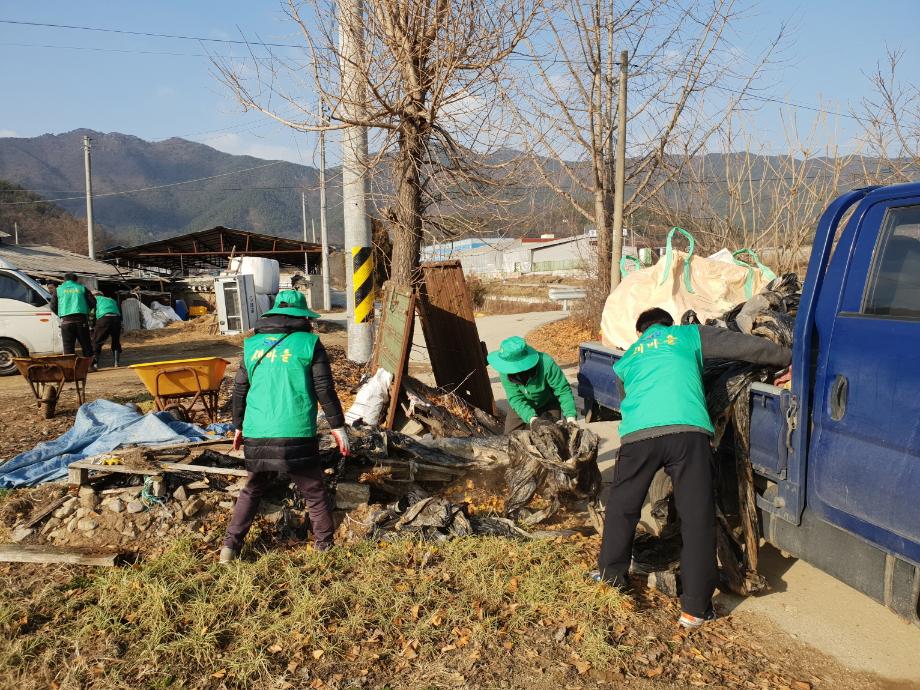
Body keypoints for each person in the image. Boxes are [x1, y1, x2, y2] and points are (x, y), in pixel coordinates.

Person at [597, 307, 792, 628]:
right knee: (697, 519)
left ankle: (610, 579)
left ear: (640, 333)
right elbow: (743, 347)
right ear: (668, 324)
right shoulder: (687, 335)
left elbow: (627, 398)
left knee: (622, 508)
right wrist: (785, 357)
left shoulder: (628, 357)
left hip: (638, 437)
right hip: (688, 433)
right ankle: (695, 609)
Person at [220, 289, 350, 563]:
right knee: (314, 491)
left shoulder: (251, 345)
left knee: (253, 487)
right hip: (296, 432)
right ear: (303, 317)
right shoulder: (309, 344)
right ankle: (324, 548)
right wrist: (338, 427)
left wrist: (238, 426)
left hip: (257, 432)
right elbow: (324, 389)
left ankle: (229, 549)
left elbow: (239, 390)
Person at [487, 336, 578, 434]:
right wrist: (533, 420)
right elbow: (516, 398)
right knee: (509, 437)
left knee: (552, 434)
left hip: (548, 403)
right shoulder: (504, 370)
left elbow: (563, 390)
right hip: (521, 405)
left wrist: (570, 417)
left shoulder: (546, 363)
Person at [49, 273, 96, 359]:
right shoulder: (82, 288)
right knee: (86, 345)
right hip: (81, 320)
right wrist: (86, 311)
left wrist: (61, 314)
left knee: (68, 347)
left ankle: (70, 365)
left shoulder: (58, 290)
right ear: (76, 280)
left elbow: (52, 306)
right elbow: (93, 302)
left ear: (64, 280)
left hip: (66, 321)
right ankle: (90, 364)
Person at [92, 291, 123, 367]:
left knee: (97, 341)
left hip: (104, 318)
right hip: (116, 319)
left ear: (95, 295)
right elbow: (118, 310)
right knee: (116, 340)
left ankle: (95, 364)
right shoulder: (111, 300)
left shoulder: (95, 299)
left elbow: (92, 313)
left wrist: (92, 325)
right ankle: (116, 363)